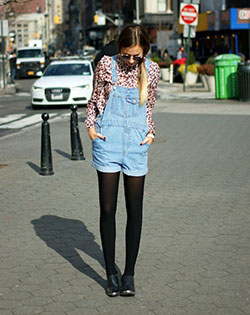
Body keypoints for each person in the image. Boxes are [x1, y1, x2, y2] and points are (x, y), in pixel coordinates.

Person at [85, 24, 160, 297]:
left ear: (144, 53)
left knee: (135, 210)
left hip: (137, 143)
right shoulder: (106, 65)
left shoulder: (151, 70)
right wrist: (91, 128)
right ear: (120, 49)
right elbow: (94, 101)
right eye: (127, 55)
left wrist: (151, 133)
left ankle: (128, 274)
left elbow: (148, 105)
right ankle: (110, 274)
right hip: (108, 141)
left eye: (136, 56)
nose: (130, 61)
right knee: (108, 209)